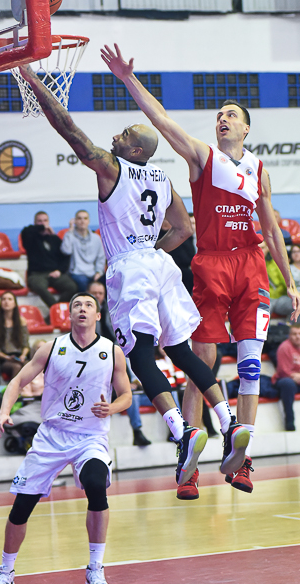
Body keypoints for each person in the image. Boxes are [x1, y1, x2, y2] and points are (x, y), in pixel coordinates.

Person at [17, 64, 250, 493]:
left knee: (139, 354)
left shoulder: (112, 168)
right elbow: (183, 229)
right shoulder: (161, 177)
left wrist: (35, 84)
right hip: (161, 265)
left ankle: (181, 430)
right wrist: (151, 252)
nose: (116, 136)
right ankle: (228, 420)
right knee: (180, 350)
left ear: (137, 150)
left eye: (125, 134)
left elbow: (70, 130)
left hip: (130, 264)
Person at [100, 43, 300, 499]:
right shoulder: (201, 156)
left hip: (251, 265)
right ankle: (188, 461)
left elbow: (271, 229)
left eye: (231, 115)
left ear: (246, 127)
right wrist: (128, 78)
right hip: (211, 265)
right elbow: (160, 120)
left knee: (250, 366)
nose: (222, 119)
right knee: (202, 364)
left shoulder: (259, 169)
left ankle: (241, 459)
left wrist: (289, 281)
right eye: (219, 115)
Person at [0, 292, 132, 584]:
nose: (83, 309)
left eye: (89, 305)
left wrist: (112, 408)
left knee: (96, 485)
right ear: (69, 315)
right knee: (22, 506)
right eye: (77, 305)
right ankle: (6, 572)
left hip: (90, 437)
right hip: (52, 435)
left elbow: (127, 396)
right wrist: (3, 413)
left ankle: (95, 568)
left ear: (97, 315)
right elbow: (17, 382)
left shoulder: (112, 351)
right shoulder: (52, 347)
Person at [88, 280, 151, 446]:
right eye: (94, 293)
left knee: (169, 393)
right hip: (104, 376)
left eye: (100, 293)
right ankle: (137, 431)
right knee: (129, 394)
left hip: (118, 359)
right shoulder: (86, 318)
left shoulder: (112, 310)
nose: (97, 296)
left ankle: (177, 432)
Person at [21, 211, 78, 307]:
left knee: (72, 287)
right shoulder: (30, 238)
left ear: (49, 222)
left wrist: (59, 271)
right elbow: (26, 231)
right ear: (35, 223)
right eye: (39, 221)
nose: (43, 223)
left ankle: (54, 312)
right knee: (40, 287)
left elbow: (65, 258)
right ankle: (56, 309)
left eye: (45, 221)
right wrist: (42, 227)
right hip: (37, 274)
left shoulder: (54, 239)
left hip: (54, 273)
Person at [61, 210, 106, 292]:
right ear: (75, 221)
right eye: (79, 218)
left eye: (85, 218)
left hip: (93, 272)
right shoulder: (70, 236)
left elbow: (101, 258)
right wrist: (70, 231)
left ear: (89, 221)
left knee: (107, 281)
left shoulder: (96, 238)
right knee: (83, 283)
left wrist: (98, 272)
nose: (82, 221)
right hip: (77, 273)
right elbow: (66, 251)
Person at [0, 292, 30, 381]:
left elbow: (26, 345)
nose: (6, 302)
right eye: (3, 299)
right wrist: (7, 357)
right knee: (16, 366)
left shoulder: (21, 321)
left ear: (14, 304)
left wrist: (23, 356)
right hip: (5, 359)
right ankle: (13, 390)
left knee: (29, 366)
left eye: (9, 299)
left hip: (19, 356)